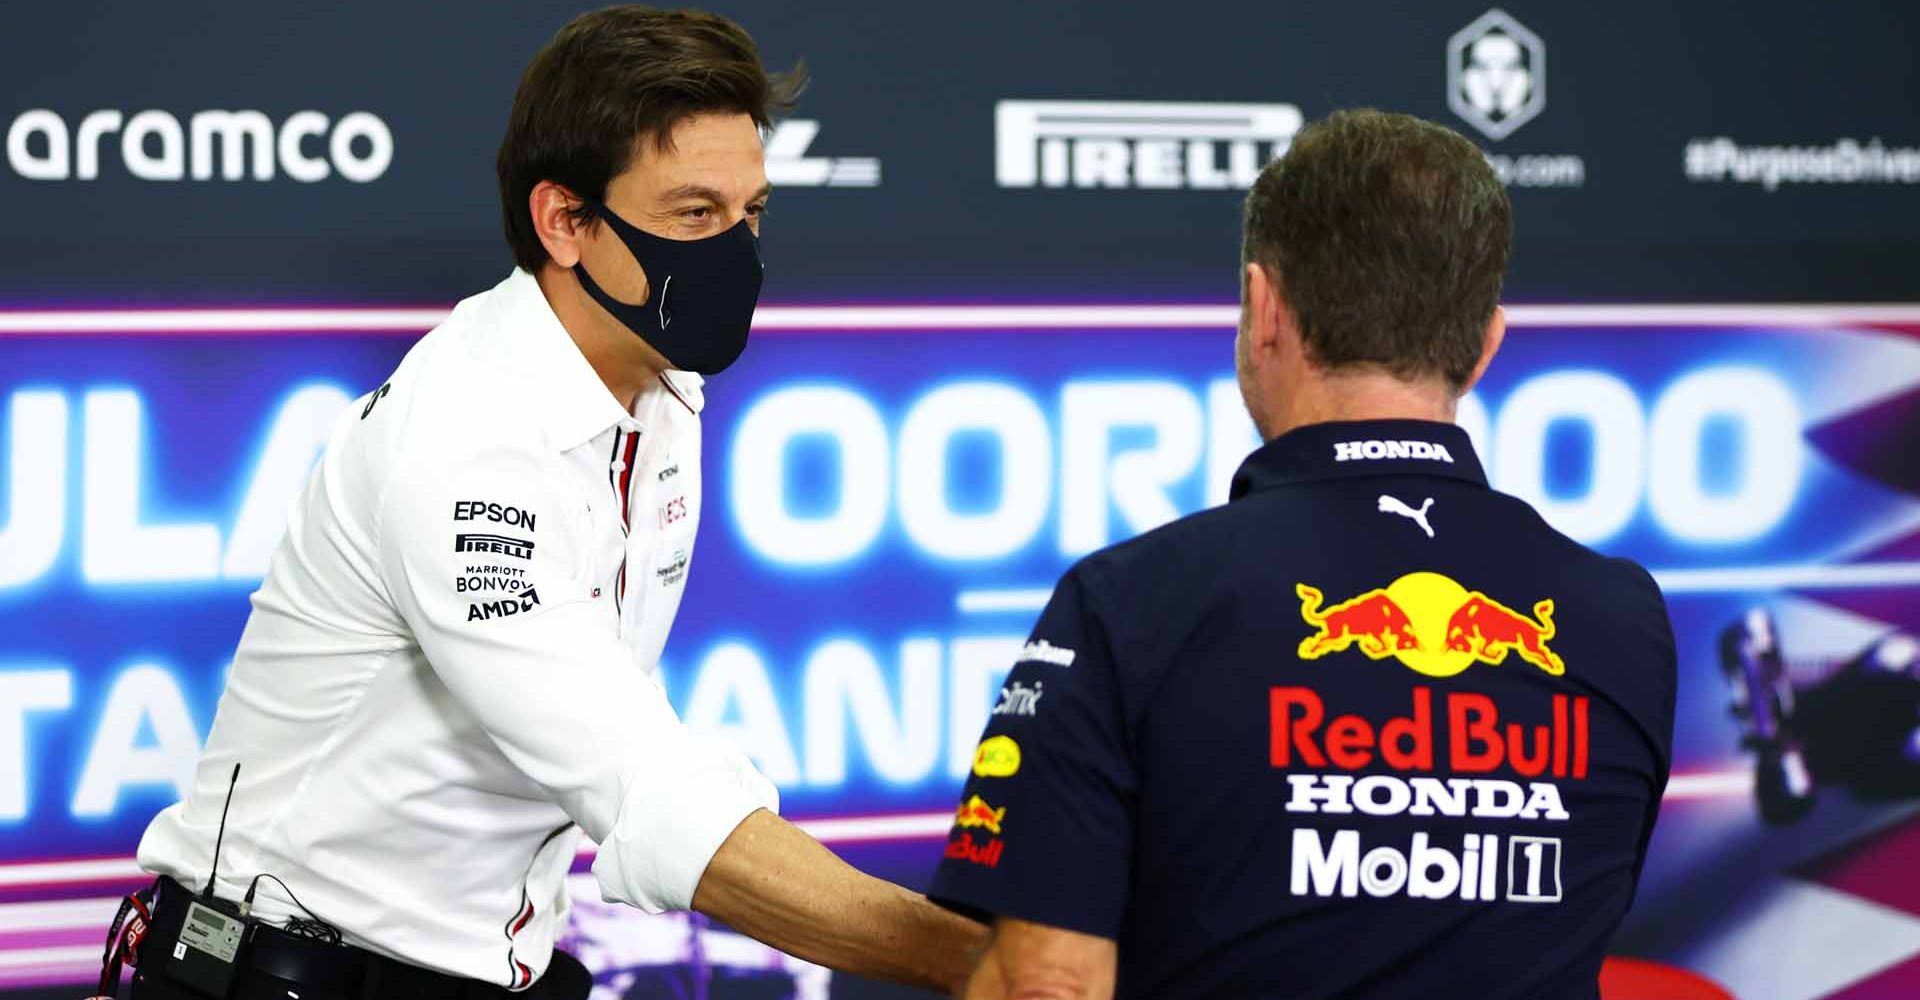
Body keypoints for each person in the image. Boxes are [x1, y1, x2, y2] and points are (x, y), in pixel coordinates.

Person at [124, 7, 981, 998]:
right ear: (563, 221)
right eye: (693, 214)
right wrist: (982, 961)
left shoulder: (662, 390)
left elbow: (624, 730)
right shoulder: (468, 444)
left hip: (473, 965)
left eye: (751, 215)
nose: (736, 255)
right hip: (285, 971)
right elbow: (654, 796)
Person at [929, 109, 1677, 1000]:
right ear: (1483, 346)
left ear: (1265, 308)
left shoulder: (1127, 602)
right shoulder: (1623, 618)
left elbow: (1046, 982)